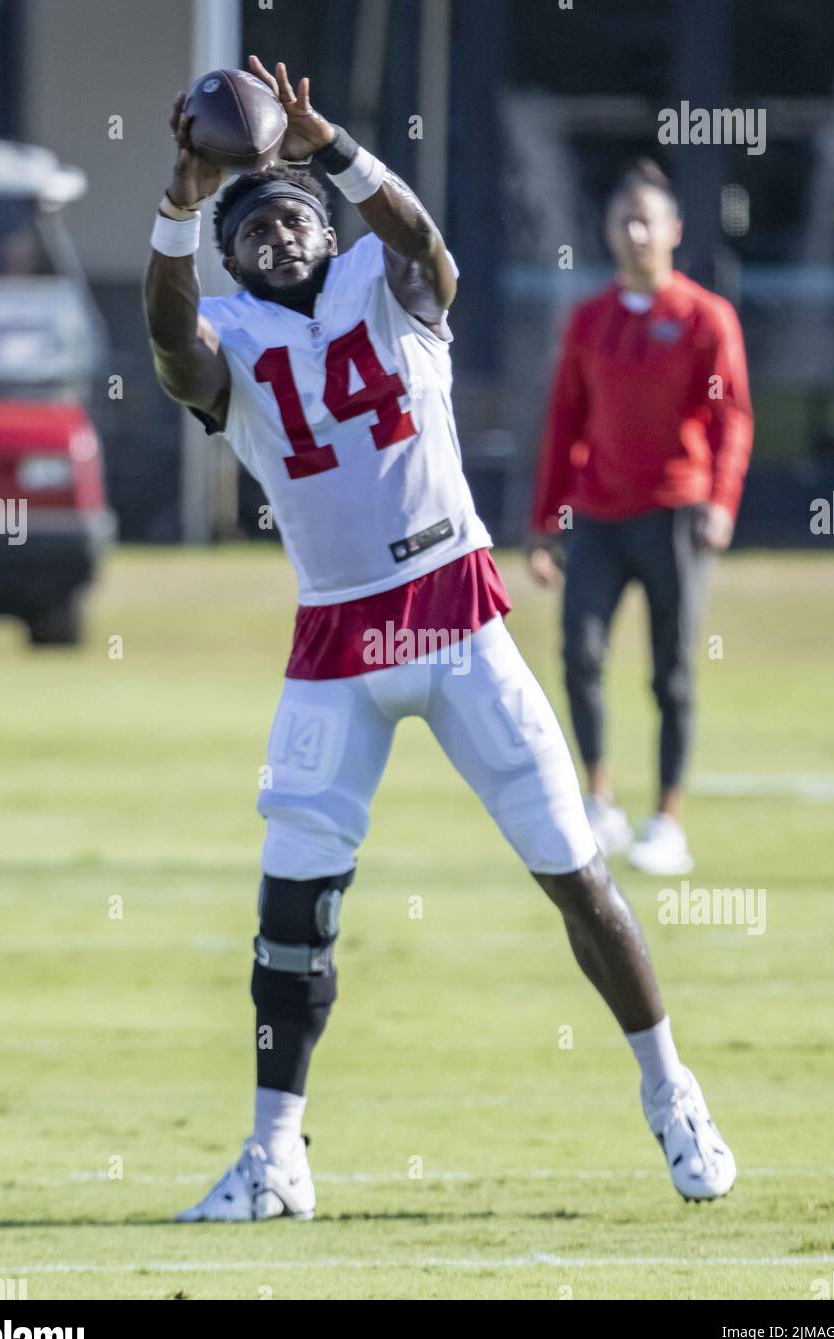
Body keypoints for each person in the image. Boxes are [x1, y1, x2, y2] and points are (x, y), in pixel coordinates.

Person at [144, 59, 736, 1220]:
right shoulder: (232, 337)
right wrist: (179, 197)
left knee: (577, 873)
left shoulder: (388, 280)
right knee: (291, 911)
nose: (271, 237)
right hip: (335, 639)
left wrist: (333, 149)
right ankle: (276, 1156)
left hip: (457, 613)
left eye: (288, 215)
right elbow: (169, 338)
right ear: (231, 259)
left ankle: (674, 1095)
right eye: (247, 229)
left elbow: (421, 244)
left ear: (324, 223)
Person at [529, 160, 753, 875]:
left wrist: (718, 503)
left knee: (672, 675)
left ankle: (667, 821)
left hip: (675, 516)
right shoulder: (588, 321)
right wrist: (545, 525)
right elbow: (564, 423)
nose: (633, 233)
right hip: (597, 516)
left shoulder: (703, 318)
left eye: (645, 221)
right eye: (622, 221)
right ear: (608, 233)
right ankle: (599, 803)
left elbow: (731, 421)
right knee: (580, 655)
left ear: (672, 231)